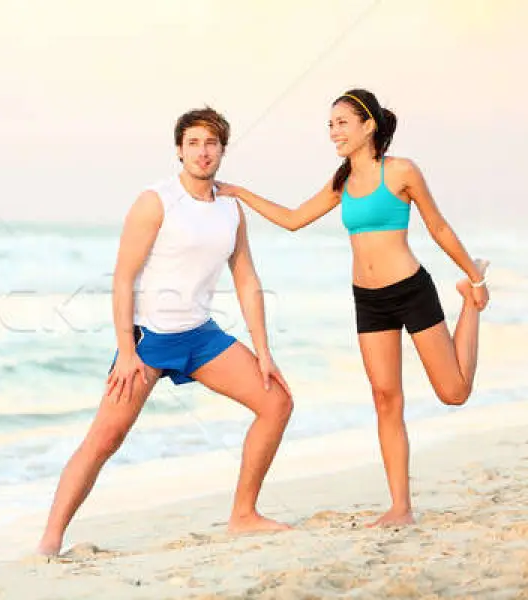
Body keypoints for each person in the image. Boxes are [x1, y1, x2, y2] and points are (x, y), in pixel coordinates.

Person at [217, 89, 489, 527]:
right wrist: (238, 191)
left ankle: (468, 305)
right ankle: (400, 507)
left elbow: (437, 226)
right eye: (330, 125)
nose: (333, 132)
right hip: (369, 301)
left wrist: (475, 278)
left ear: (369, 125)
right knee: (386, 400)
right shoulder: (341, 181)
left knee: (453, 393)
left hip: (410, 290)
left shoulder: (400, 171)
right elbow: (292, 218)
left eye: (342, 122)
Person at [36, 107, 294, 557]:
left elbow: (247, 279)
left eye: (211, 143)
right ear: (179, 150)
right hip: (148, 341)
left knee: (277, 402)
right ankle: (50, 539)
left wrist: (264, 351)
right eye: (193, 143)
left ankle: (243, 515)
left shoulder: (232, 209)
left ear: (222, 150)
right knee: (105, 439)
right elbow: (122, 278)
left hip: (200, 336)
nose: (202, 151)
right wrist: (126, 351)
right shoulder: (155, 200)